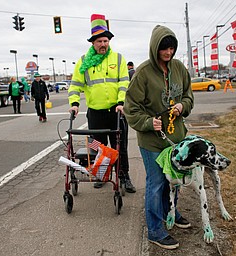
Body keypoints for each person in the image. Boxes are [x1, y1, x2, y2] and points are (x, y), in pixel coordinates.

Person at [124, 25, 194, 249]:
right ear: (155, 48)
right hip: (152, 140)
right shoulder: (143, 74)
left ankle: (169, 212)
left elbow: (188, 95)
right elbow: (131, 108)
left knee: (173, 182)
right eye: (164, 48)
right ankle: (155, 230)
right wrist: (147, 122)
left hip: (175, 138)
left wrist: (183, 105)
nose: (168, 52)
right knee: (156, 183)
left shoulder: (180, 68)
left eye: (172, 48)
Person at [68, 13, 136, 193]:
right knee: (98, 147)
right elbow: (75, 84)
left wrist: (121, 102)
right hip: (95, 113)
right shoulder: (83, 62)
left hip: (117, 111)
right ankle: (102, 175)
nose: (103, 44)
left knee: (120, 147)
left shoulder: (119, 59)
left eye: (105, 41)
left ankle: (124, 176)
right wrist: (74, 103)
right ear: (93, 43)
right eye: (99, 41)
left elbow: (123, 82)